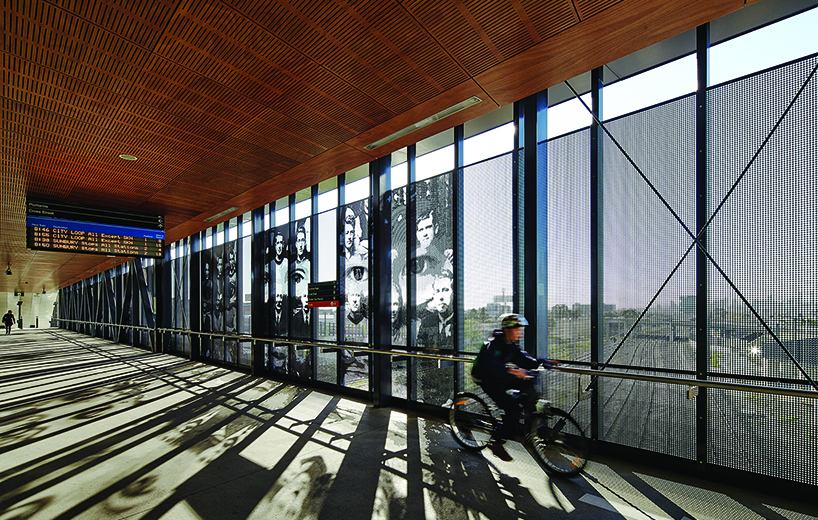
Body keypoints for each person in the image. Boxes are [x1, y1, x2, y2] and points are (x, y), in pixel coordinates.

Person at [471, 313, 557, 462]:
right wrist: (512, 370)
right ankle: (497, 443)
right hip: (486, 379)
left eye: (521, 329)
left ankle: (526, 420)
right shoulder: (494, 344)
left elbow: (523, 360)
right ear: (507, 330)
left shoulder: (512, 345)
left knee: (528, 384)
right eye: (518, 329)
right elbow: (490, 365)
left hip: (500, 377)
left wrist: (542, 362)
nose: (521, 332)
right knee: (512, 409)